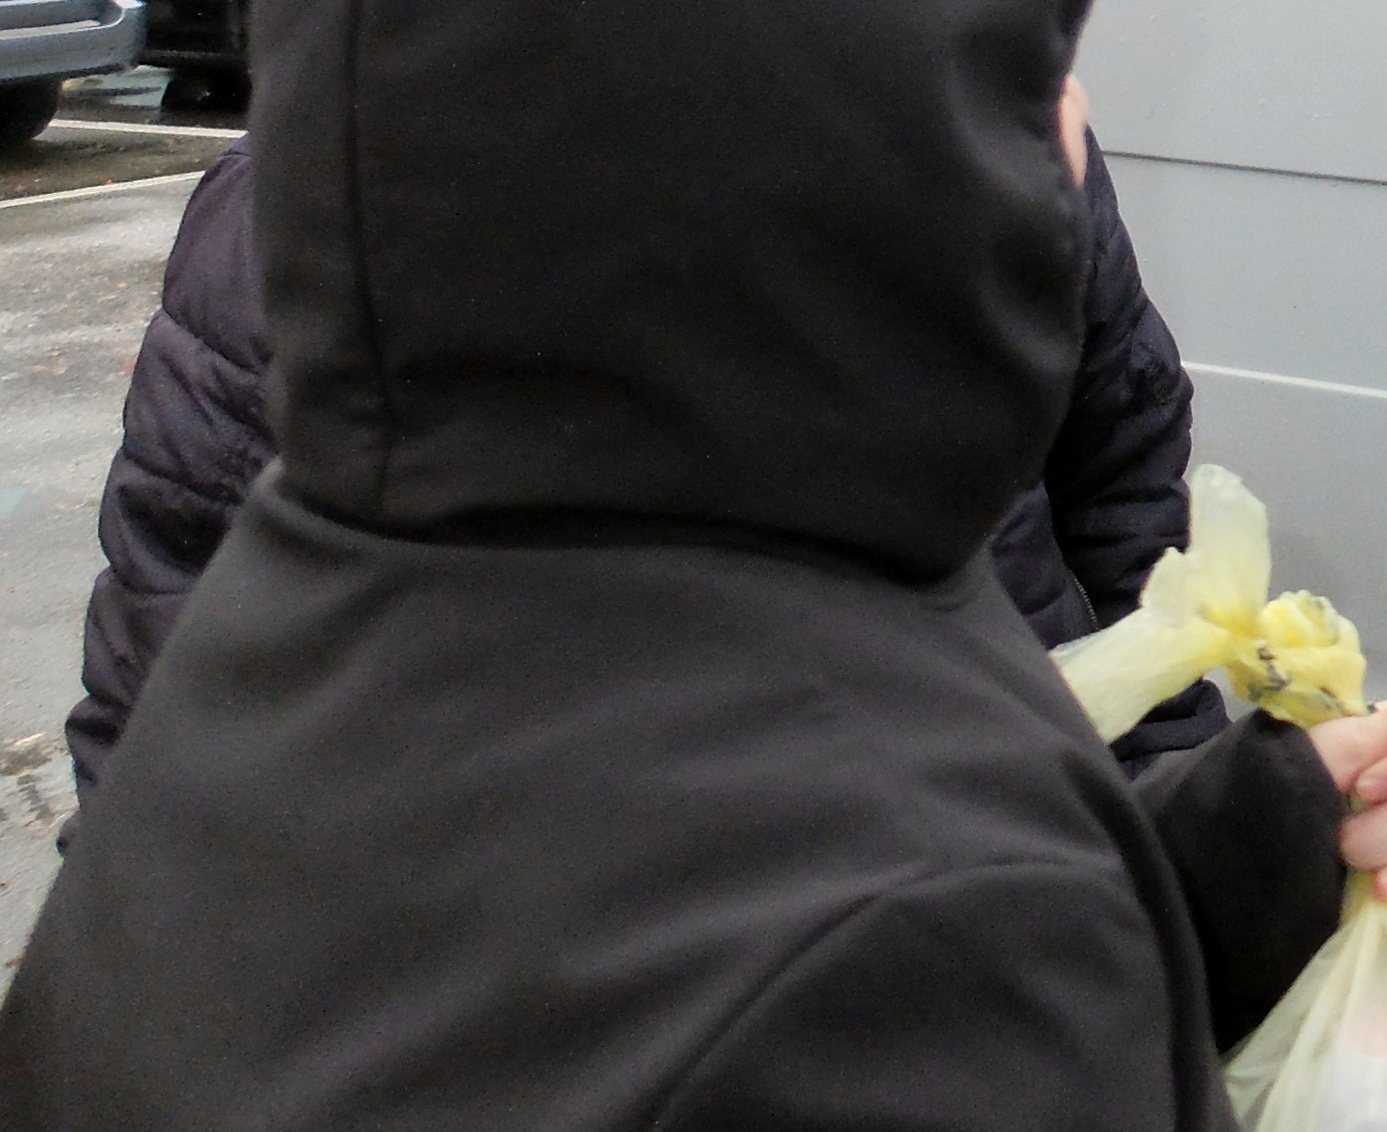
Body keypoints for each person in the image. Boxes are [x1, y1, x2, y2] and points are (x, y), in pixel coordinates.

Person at [0, 0, 1387, 1132]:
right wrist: (1047, 934)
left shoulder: (315, 640)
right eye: (1021, 57)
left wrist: (1199, 879)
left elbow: (588, 999)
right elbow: (813, 987)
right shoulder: (916, 926)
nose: (1072, 128)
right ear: (820, 114)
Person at [67, 102, 1222, 798]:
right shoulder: (329, 194)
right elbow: (175, 665)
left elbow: (1124, 501)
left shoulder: (1003, 129)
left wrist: (1192, 829)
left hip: (991, 938)